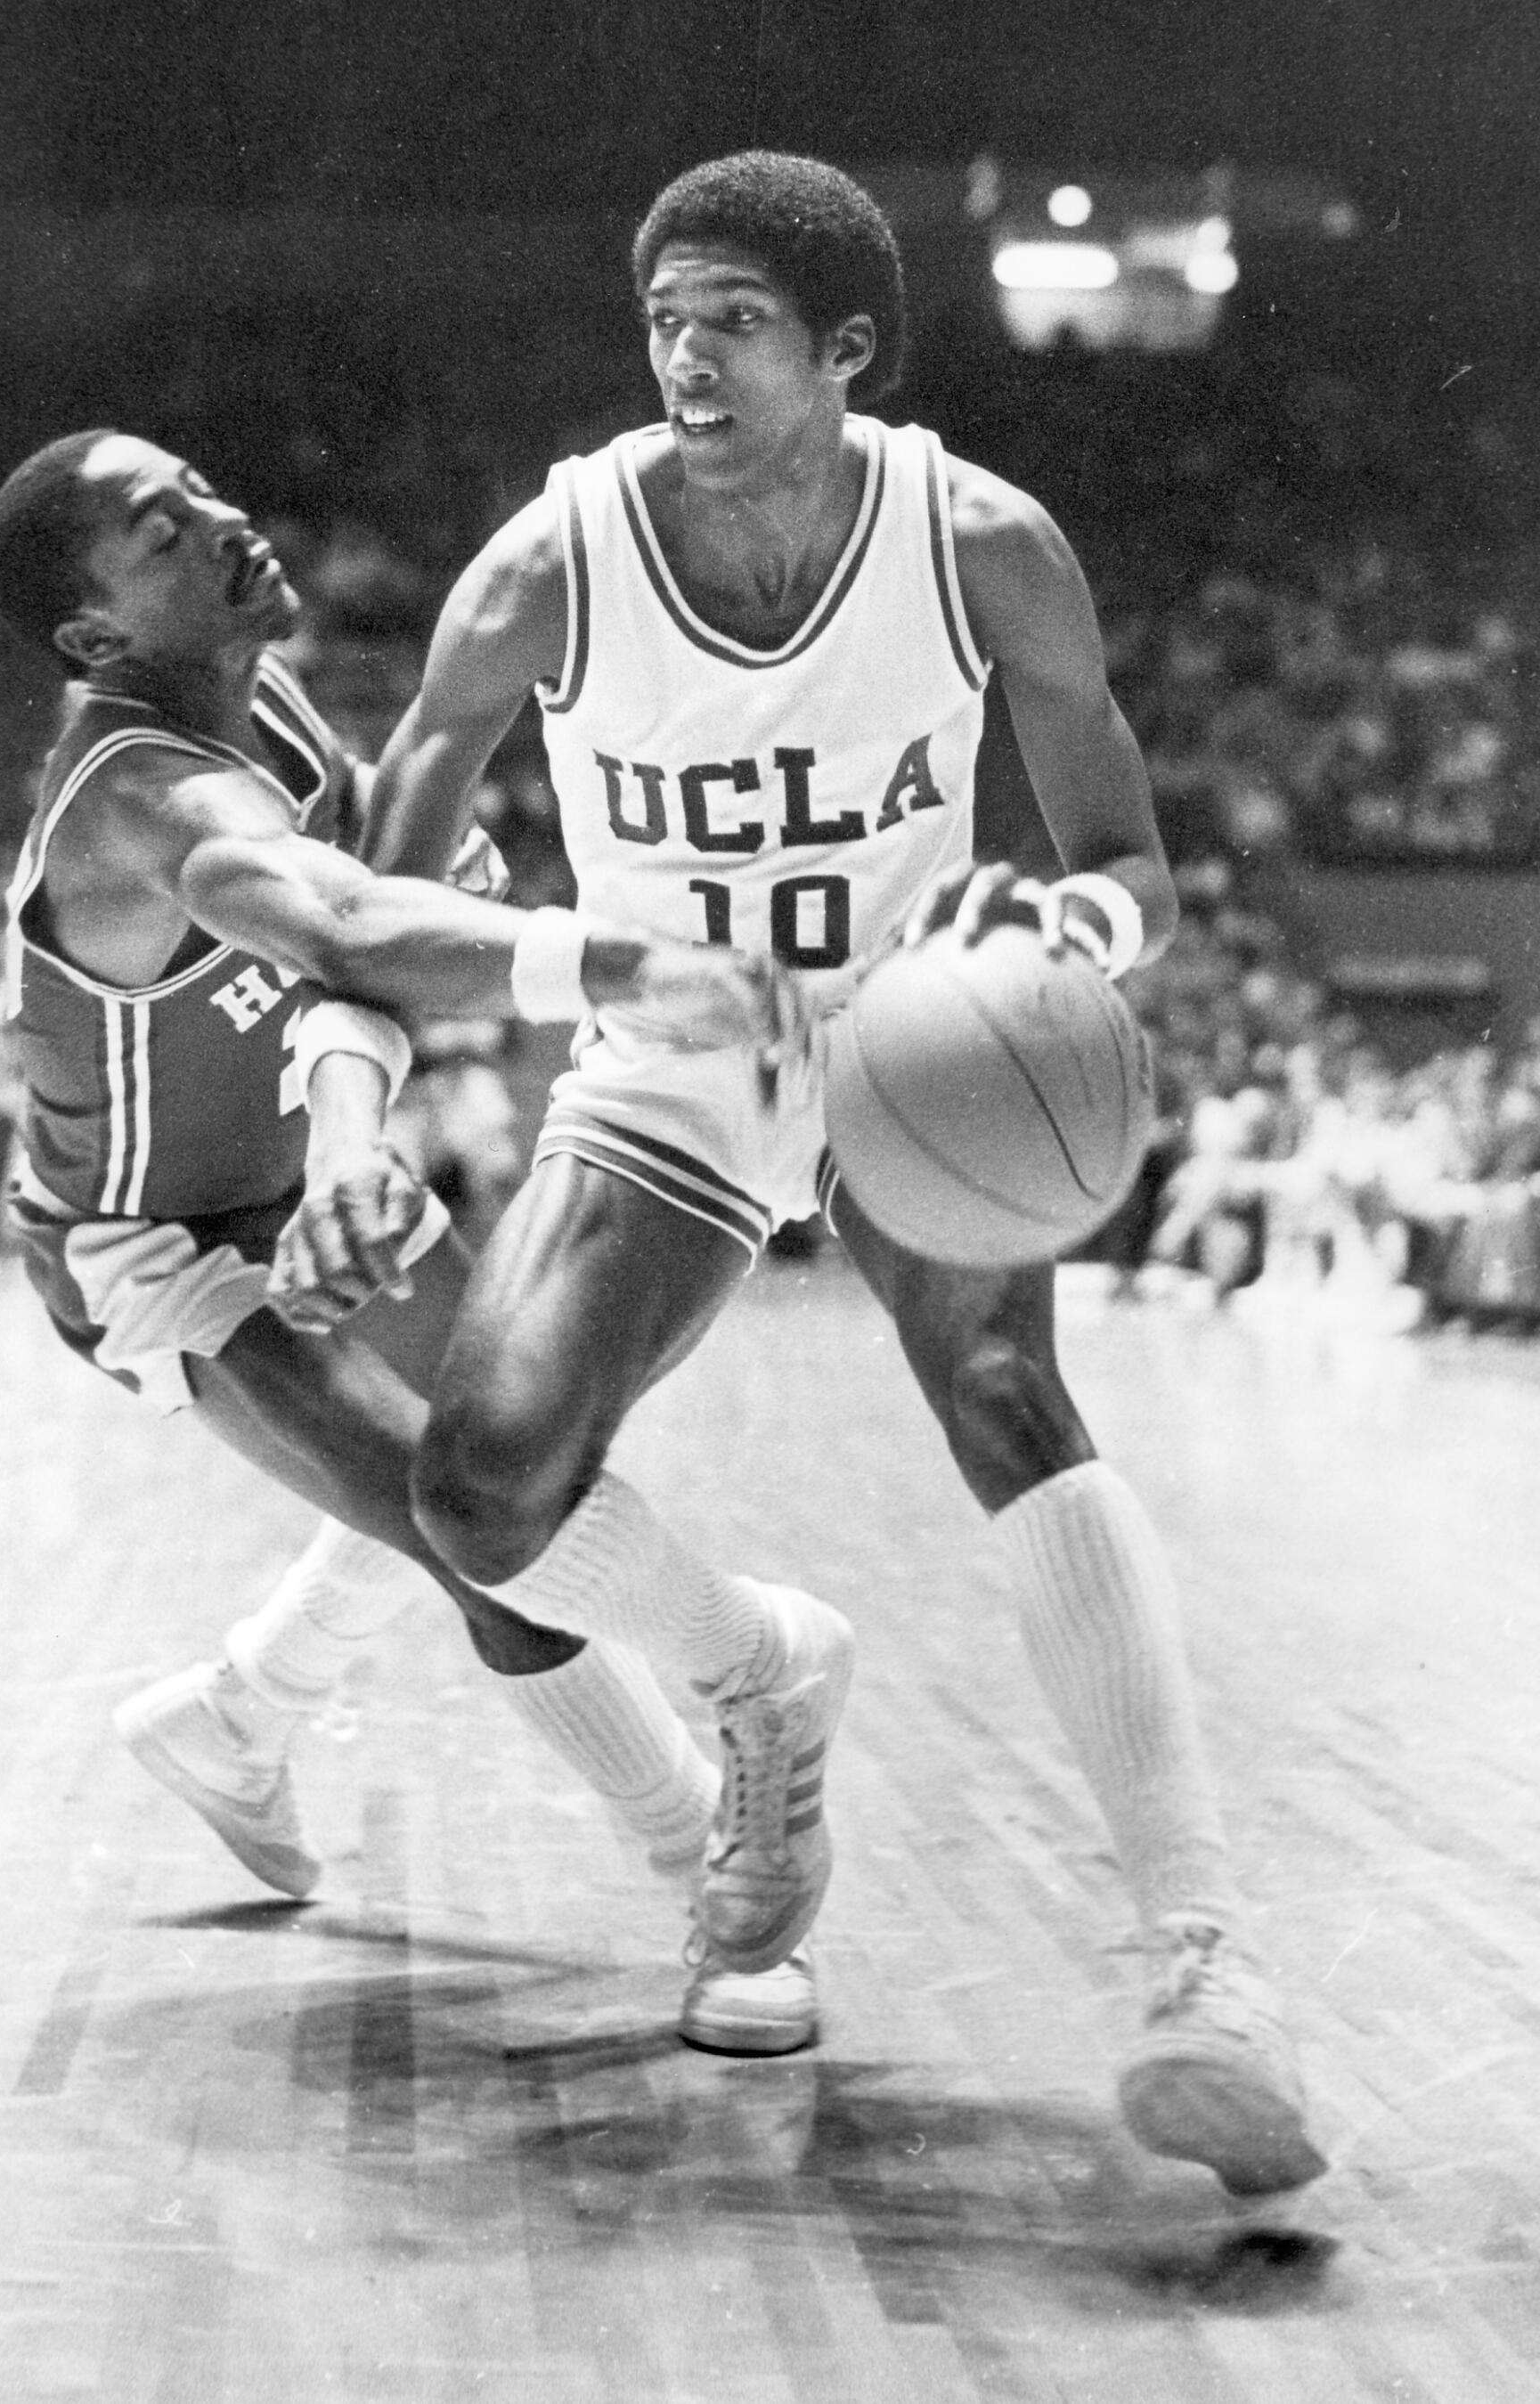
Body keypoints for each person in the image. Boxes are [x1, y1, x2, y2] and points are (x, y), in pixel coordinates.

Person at [363, 153, 1328, 2194]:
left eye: (730, 321)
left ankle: (1203, 1966)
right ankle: (761, 1680)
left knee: (1005, 1395)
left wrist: (1059, 951)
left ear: (848, 352)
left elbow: (1130, 869)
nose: (683, 358)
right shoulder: (547, 565)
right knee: (476, 1485)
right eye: (662, 319)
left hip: (907, 1038)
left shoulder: (981, 545)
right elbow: (371, 884)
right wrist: (362, 1092)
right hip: (670, 1063)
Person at [0, 428, 821, 2056]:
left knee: (505, 1462)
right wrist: (634, 968)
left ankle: (244, 1717)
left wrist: (353, 1138)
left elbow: (373, 948)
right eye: (166, 529)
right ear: (96, 638)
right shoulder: (138, 802)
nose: (226, 514)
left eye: (208, 486)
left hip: (294, 1184)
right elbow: (355, 927)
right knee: (483, 1537)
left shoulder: (264, 699)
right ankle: (716, 1862)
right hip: (148, 1247)